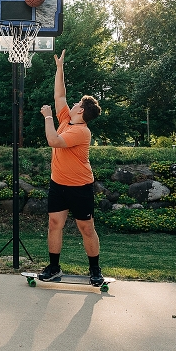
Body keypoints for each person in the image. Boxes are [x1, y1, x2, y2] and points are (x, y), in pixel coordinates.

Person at [39, 50, 104, 286]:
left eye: (77, 103)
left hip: (79, 187)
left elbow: (53, 141)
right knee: (54, 224)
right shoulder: (68, 119)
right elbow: (60, 95)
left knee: (86, 228)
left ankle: (95, 270)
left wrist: (47, 117)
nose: (73, 103)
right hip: (58, 185)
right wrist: (59, 68)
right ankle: (54, 267)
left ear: (81, 111)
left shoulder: (80, 131)